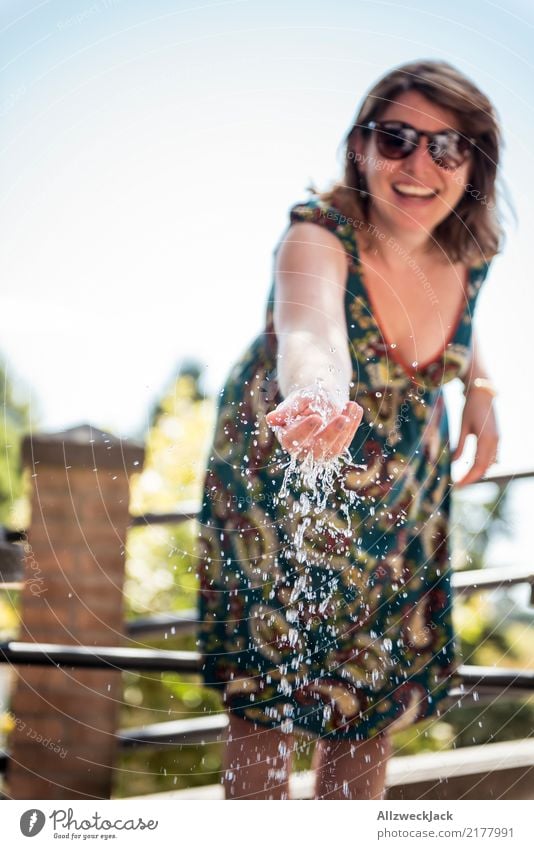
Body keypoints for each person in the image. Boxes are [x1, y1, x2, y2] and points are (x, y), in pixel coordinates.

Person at [196, 58, 503, 800]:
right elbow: (311, 331)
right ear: (360, 146)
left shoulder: (468, 251)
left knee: (370, 707)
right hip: (288, 483)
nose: (419, 162)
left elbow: (458, 331)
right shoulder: (318, 234)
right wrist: (318, 396)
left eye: (447, 146)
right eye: (395, 138)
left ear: (474, 163)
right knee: (269, 709)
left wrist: (480, 387)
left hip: (404, 503)